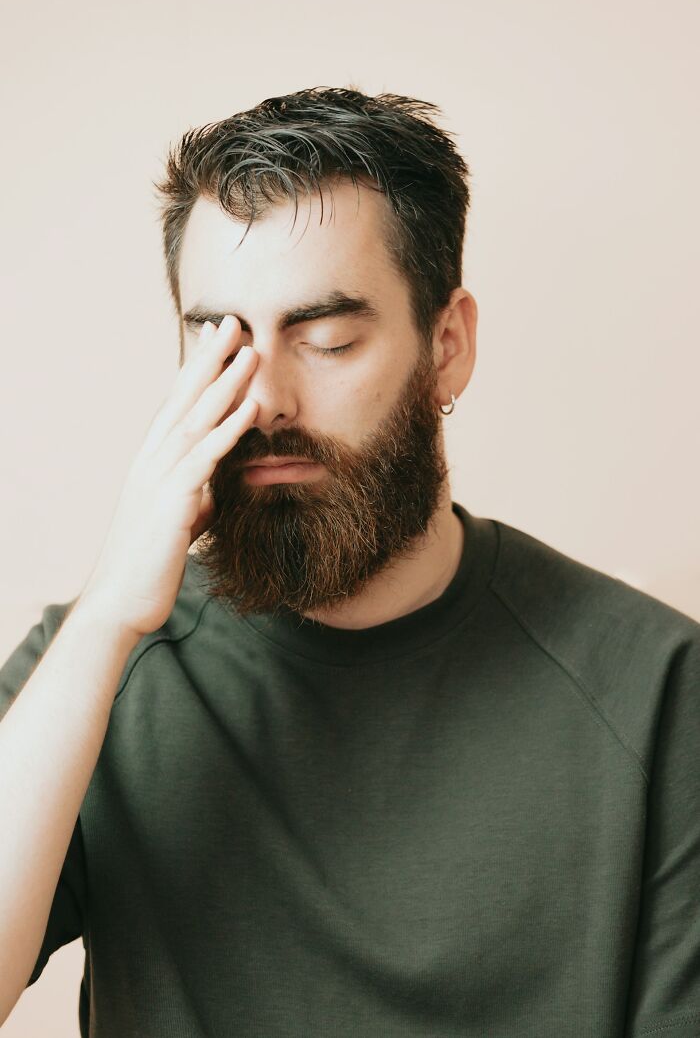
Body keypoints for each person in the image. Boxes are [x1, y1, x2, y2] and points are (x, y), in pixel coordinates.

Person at [1, 86, 698, 1038]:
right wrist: (114, 617)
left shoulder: (657, 691)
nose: (269, 399)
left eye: (327, 339)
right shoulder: (98, 669)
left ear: (446, 347)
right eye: (222, 343)